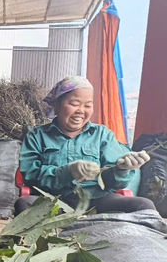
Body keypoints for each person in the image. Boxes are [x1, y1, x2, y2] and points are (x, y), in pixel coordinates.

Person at [15, 76, 156, 215]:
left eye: (87, 105)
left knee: (144, 205)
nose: (81, 111)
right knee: (24, 204)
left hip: (98, 200)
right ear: (56, 105)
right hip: (55, 202)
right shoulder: (37, 136)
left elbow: (114, 182)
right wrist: (68, 171)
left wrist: (122, 169)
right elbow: (31, 176)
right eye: (75, 104)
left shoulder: (102, 134)